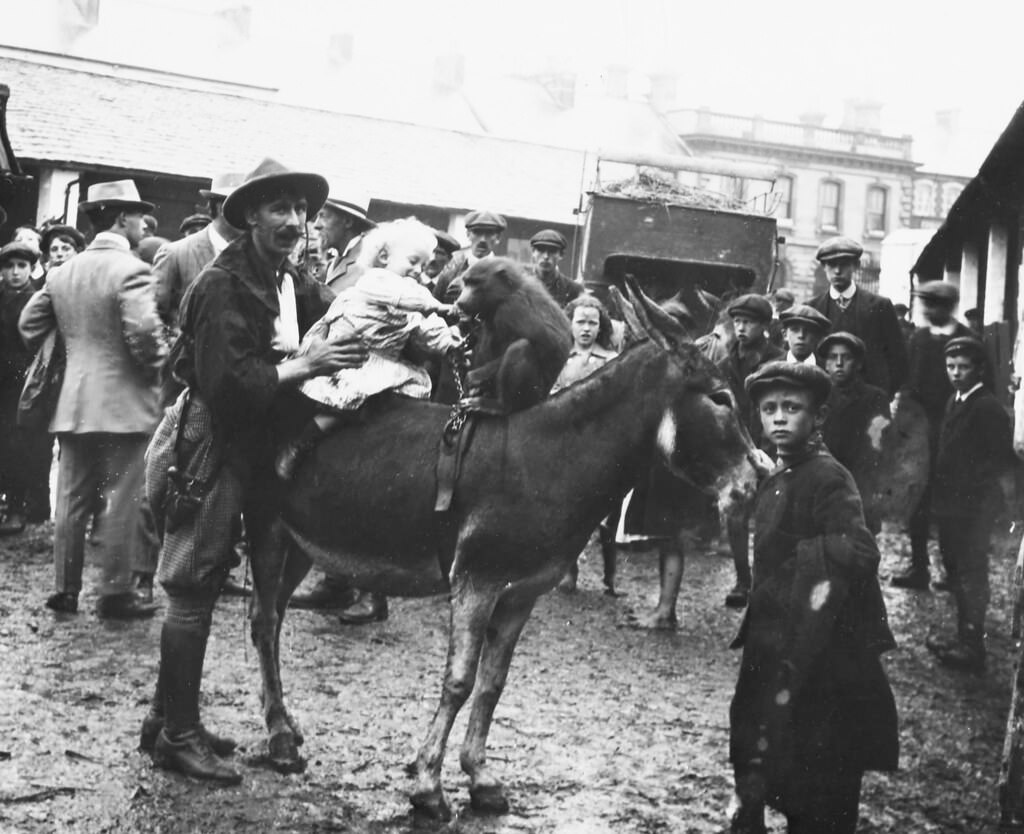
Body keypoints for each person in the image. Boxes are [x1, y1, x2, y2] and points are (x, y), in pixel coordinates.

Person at [141, 157, 367, 783]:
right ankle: (179, 738)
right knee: (191, 583)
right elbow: (226, 385)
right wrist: (307, 363)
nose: (295, 221)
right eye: (280, 209)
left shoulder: (284, 277)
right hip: (212, 441)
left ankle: (164, 719)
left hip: (248, 442)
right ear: (249, 217)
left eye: (301, 210)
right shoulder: (224, 284)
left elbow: (339, 310)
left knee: (206, 582)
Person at [728, 360, 898, 834]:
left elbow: (860, 550)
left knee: (818, 773)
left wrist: (794, 571)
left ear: (818, 417)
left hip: (817, 653)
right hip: (773, 643)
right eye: (769, 409)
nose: (779, 418)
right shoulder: (778, 474)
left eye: (792, 408)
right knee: (761, 745)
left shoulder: (828, 476)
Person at [19, 179, 167, 619]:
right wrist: (156, 364)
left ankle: (66, 590)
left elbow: (30, 323)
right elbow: (144, 334)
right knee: (122, 496)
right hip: (124, 403)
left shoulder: (65, 271)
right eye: (139, 214)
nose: (143, 222)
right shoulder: (133, 269)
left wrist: (70, 352)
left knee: (72, 499)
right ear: (122, 218)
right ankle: (115, 592)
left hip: (74, 400)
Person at [276, 217, 460, 476]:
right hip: (358, 362)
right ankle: (301, 443)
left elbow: (426, 327)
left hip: (386, 364)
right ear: (384, 257)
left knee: (399, 406)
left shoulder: (414, 296)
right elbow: (406, 298)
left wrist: (450, 341)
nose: (419, 270)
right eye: (413, 261)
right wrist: (438, 305)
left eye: (424, 265)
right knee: (343, 409)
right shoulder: (375, 282)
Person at [925, 337, 1012, 673]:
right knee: (955, 570)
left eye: (963, 367)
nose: (956, 373)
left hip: (973, 509)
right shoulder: (955, 401)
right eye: (950, 366)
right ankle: (963, 637)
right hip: (952, 506)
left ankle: (972, 646)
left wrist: (976, 499)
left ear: (978, 369)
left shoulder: (987, 407)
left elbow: (998, 461)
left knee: (970, 574)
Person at [891, 280, 975, 590]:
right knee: (917, 501)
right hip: (920, 435)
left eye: (935, 304)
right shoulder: (919, 339)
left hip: (956, 434)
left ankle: (953, 573)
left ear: (949, 306)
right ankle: (919, 567)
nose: (929, 309)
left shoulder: (968, 340)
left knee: (952, 505)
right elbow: (907, 384)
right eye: (926, 303)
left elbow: (982, 390)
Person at [717, 294, 784, 608]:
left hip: (770, 446)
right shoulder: (725, 361)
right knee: (735, 517)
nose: (741, 328)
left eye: (749, 322)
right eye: (738, 321)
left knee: (772, 519)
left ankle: (768, 581)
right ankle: (744, 581)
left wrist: (769, 448)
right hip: (736, 449)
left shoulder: (776, 360)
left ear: (765, 326)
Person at [550, 295, 619, 593]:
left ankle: (610, 575)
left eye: (593, 322)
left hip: (598, 441)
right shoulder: (560, 357)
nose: (587, 328)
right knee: (566, 508)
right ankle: (568, 570)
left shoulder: (611, 359)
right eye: (581, 322)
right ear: (570, 324)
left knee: (604, 511)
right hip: (565, 439)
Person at [808, 236, 908, 397]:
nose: (838, 271)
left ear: (856, 265)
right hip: (825, 399)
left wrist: (886, 396)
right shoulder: (812, 308)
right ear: (823, 267)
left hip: (870, 400)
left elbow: (897, 357)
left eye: (844, 265)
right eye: (832, 265)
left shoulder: (879, 306)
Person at [0, 242, 53, 532]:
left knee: (17, 445)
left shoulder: (36, 300)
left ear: (31, 269)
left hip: (23, 382)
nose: (15, 273)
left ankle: (17, 507)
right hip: (1, 382)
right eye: (9, 267)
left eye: (21, 266)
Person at [152, 171, 244, 330]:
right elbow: (152, 316)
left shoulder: (256, 255)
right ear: (222, 207)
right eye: (244, 207)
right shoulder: (175, 254)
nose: (252, 216)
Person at [819, 332, 891, 535]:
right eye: (833, 358)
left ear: (858, 364)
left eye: (847, 357)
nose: (839, 363)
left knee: (859, 549)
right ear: (825, 364)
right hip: (823, 484)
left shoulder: (875, 398)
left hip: (860, 487)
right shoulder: (818, 397)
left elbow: (876, 447)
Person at [432, 210, 505, 304]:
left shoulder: (502, 274)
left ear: (498, 238)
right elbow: (435, 306)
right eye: (477, 233)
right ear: (468, 234)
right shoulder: (452, 270)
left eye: (489, 233)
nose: (482, 239)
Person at [317, 194, 375, 293]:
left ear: (348, 222)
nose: (316, 225)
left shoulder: (366, 265)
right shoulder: (333, 262)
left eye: (323, 216)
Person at [526, 229, 581, 307]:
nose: (546, 256)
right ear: (533, 252)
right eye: (541, 250)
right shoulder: (520, 283)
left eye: (552, 251)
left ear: (561, 255)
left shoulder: (572, 290)